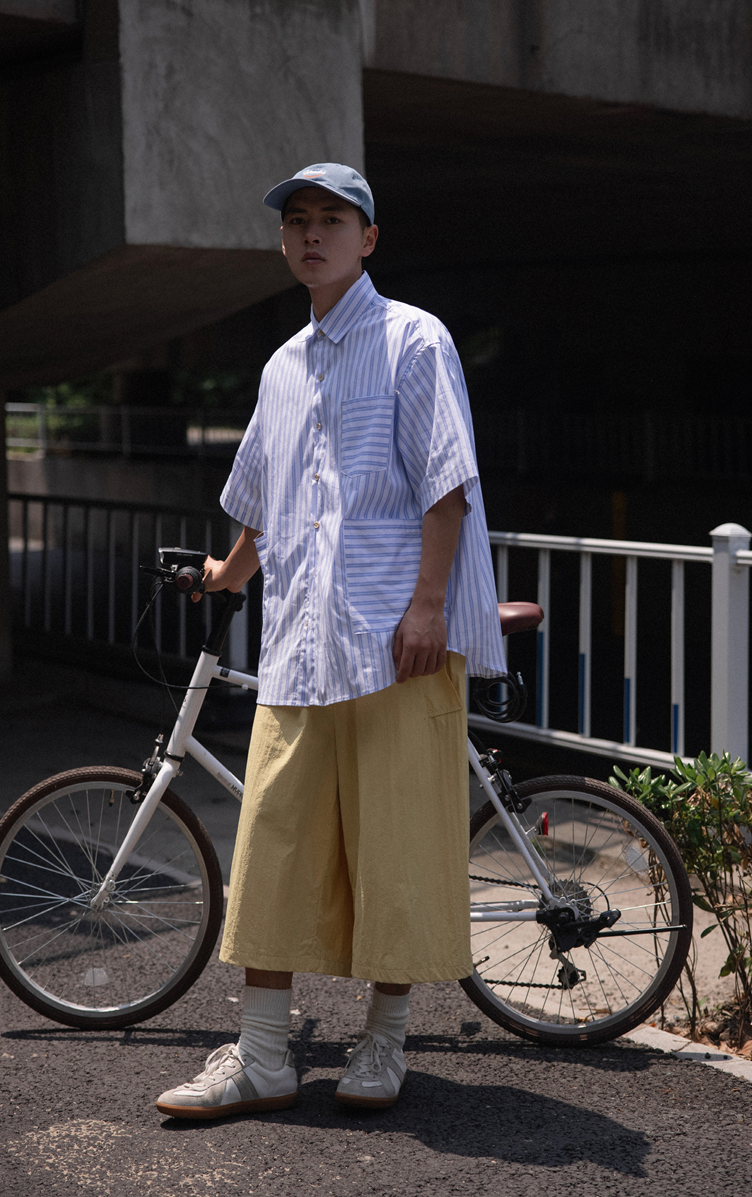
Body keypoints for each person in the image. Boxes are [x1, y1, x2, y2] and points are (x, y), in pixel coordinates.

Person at [155, 163, 505, 1120]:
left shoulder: (412, 337)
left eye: (332, 219)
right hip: (300, 643)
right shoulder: (282, 365)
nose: (312, 234)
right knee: (273, 840)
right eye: (297, 221)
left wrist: (429, 605)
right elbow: (265, 500)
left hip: (396, 638)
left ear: (368, 238)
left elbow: (446, 483)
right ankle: (265, 1054)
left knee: (397, 845)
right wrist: (227, 573)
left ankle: (385, 1038)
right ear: (284, 241)